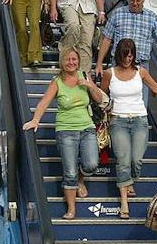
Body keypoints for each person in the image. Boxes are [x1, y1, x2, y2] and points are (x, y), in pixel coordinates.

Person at [102, 38, 157, 214]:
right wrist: (104, 107)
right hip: (118, 120)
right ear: (119, 55)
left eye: (131, 55)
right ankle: (124, 201)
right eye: (125, 55)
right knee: (123, 160)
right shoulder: (109, 73)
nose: (128, 59)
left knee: (136, 160)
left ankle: (130, 181)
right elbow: (102, 95)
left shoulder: (140, 72)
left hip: (139, 120)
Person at [22, 47, 106, 218]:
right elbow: (44, 102)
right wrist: (36, 119)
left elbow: (100, 99)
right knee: (70, 172)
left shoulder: (84, 76)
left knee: (91, 164)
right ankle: (71, 208)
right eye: (68, 59)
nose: (71, 62)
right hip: (66, 130)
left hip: (87, 127)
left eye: (74, 59)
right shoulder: (57, 81)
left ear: (78, 61)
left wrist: (90, 85)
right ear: (62, 61)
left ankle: (81, 180)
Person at [95, 0, 157, 81]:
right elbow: (106, 39)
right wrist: (99, 64)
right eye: (132, 0)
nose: (135, 3)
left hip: (141, 66)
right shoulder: (117, 14)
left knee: (141, 96)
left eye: (138, 0)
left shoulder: (152, 17)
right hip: (118, 63)